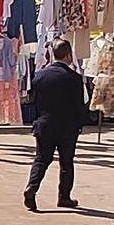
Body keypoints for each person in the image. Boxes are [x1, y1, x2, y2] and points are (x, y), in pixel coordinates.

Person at [24, 39, 87, 212]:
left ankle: (32, 187)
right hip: (67, 127)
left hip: (44, 124)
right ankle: (64, 196)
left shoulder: (40, 76)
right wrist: (80, 123)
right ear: (68, 55)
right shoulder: (74, 78)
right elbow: (78, 104)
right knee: (66, 162)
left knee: (41, 159)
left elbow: (34, 101)